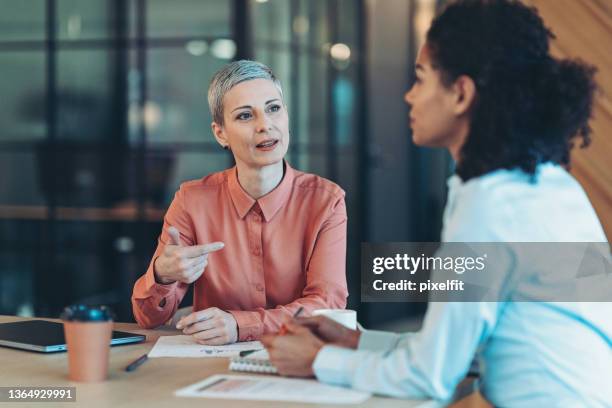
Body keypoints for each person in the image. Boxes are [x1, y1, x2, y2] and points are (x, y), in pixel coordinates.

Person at [261, 1, 612, 406]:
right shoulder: (550, 185)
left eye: (421, 79)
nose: (409, 97)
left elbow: (429, 377)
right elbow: (459, 350)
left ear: (461, 93)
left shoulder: (488, 207)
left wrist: (320, 360)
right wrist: (358, 342)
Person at [132, 60, 348, 344]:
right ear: (220, 133)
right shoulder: (191, 200)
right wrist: (162, 275)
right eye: (245, 116)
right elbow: (149, 319)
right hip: (210, 366)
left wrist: (240, 325)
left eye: (273, 108)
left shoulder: (325, 201)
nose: (265, 125)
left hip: (299, 358)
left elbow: (327, 305)